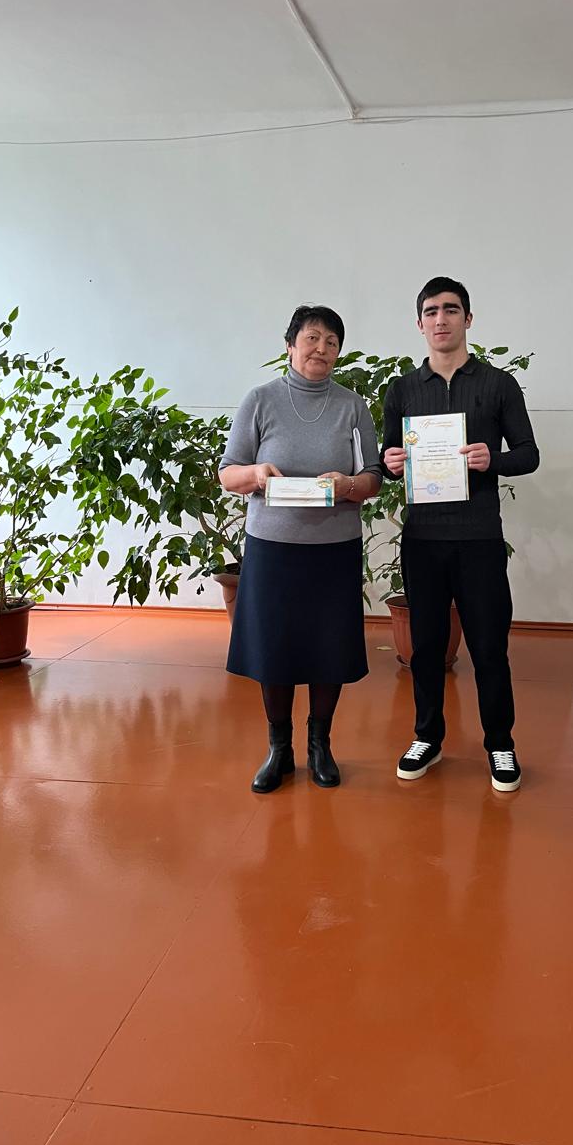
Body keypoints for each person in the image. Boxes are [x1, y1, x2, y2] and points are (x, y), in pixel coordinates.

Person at [380, 276, 539, 793]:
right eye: (431, 311)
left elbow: (528, 454)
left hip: (479, 538)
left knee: (489, 646)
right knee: (425, 648)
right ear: (419, 323)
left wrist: (494, 459)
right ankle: (427, 736)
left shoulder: (498, 384)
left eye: (451, 309)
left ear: (468, 319)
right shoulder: (402, 389)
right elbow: (387, 461)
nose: (441, 319)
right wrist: (390, 462)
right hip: (423, 538)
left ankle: (500, 743)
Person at [219, 305, 382, 793]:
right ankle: (279, 749)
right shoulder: (260, 400)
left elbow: (373, 477)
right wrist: (256, 474)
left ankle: (320, 745)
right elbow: (228, 473)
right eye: (312, 338)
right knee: (275, 648)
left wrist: (348, 484)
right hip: (273, 549)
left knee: (329, 647)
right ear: (290, 345)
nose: (321, 348)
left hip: (334, 549)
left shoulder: (352, 406)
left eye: (332, 342)